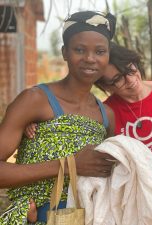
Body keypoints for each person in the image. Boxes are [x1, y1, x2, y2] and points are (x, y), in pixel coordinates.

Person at [0, 10, 117, 224]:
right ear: (64, 52)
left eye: (100, 51)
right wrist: (68, 164)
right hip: (36, 216)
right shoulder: (35, 100)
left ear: (108, 55)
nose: (90, 59)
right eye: (79, 49)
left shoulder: (106, 116)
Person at [94, 43, 152, 224]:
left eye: (130, 70)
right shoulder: (108, 111)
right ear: (105, 86)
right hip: (136, 196)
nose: (130, 79)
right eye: (117, 79)